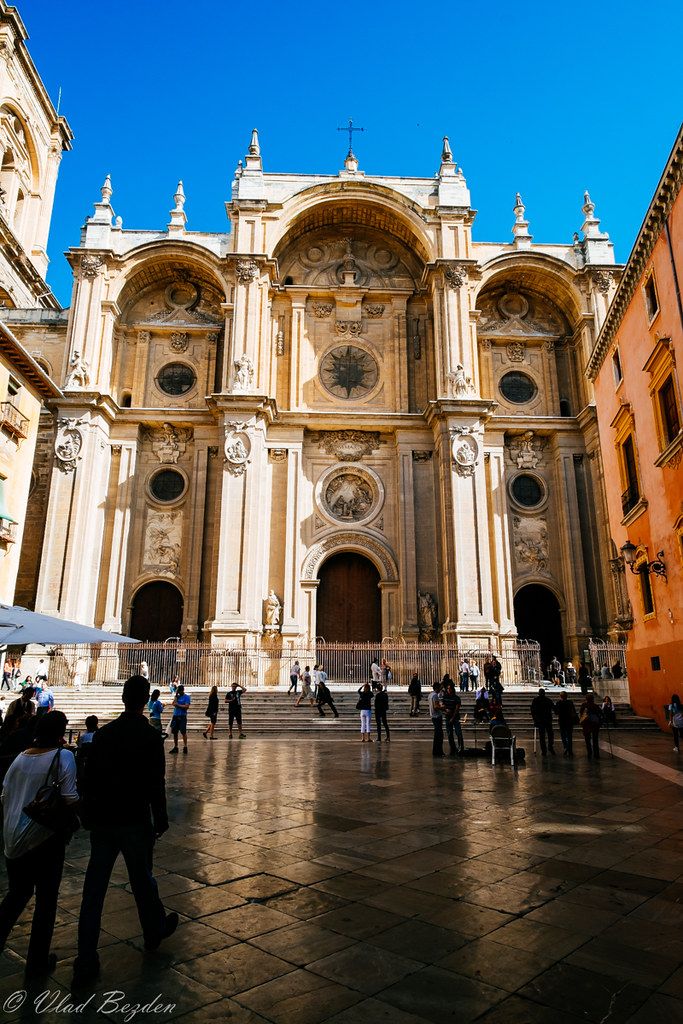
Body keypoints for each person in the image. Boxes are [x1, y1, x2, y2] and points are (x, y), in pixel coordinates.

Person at [73, 675, 176, 987]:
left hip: (104, 821)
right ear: (144, 700)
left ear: (122, 699)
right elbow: (156, 783)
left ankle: (85, 955)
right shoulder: (148, 736)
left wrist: (87, 815)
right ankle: (154, 929)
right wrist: (160, 817)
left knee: (94, 889)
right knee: (143, 878)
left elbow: (87, 779)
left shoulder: (103, 734)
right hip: (134, 819)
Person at [0, 710, 78, 977]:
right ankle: (37, 962)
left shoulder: (19, 759)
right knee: (46, 900)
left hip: (13, 838)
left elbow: (5, 796)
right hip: (44, 838)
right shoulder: (63, 756)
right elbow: (70, 798)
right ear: (59, 734)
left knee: (16, 895)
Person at [530, 687, 556, 757]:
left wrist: (535, 720)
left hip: (540, 720)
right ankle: (550, 746)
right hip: (547, 720)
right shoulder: (548, 700)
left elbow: (533, 711)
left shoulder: (535, 700)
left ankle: (543, 750)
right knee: (550, 734)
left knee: (542, 736)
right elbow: (554, 709)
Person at [441, 680, 463, 756]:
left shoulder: (456, 698)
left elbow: (457, 709)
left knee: (458, 733)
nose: (449, 690)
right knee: (450, 734)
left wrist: (452, 718)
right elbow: (443, 707)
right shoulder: (445, 697)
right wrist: (445, 710)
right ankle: (453, 748)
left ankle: (461, 748)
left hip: (455, 718)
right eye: (447, 688)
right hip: (448, 717)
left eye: (450, 688)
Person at [579, 693, 603, 759]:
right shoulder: (595, 706)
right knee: (595, 740)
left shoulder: (584, 705)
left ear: (586, 699)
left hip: (586, 725)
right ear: (593, 699)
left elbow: (581, 713)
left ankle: (589, 753)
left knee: (587, 740)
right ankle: (596, 754)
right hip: (595, 725)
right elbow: (601, 714)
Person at [554, 691, 578, 757]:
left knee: (563, 735)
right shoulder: (570, 702)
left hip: (562, 721)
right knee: (569, 735)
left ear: (560, 696)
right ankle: (569, 749)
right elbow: (573, 711)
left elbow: (556, 712)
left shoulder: (558, 703)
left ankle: (565, 747)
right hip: (569, 721)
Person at [169, 685, 191, 754]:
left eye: (179, 691)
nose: (179, 692)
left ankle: (185, 746)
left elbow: (186, 706)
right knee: (175, 732)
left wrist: (178, 705)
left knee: (183, 732)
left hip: (182, 716)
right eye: (178, 691)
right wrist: (176, 696)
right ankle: (176, 747)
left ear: (182, 690)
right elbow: (173, 703)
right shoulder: (177, 696)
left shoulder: (187, 697)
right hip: (175, 715)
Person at [428, 681, 444, 757]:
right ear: (437, 688)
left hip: (433, 716)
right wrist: (443, 708)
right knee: (439, 735)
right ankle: (439, 751)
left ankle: (436, 751)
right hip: (437, 716)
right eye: (440, 687)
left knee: (437, 734)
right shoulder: (435, 696)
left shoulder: (430, 695)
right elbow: (436, 706)